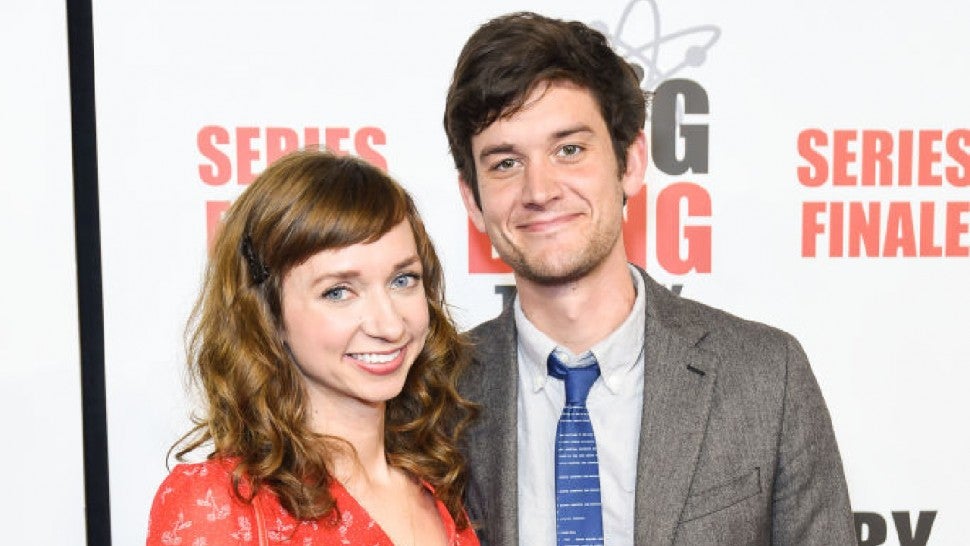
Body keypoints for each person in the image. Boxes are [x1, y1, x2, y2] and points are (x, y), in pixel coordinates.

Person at [443, 11, 855, 546]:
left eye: (569, 150)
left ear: (631, 163)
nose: (539, 190)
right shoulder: (434, 397)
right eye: (505, 163)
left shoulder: (766, 377)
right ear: (472, 200)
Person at [146, 149, 480, 546]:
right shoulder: (220, 505)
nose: (390, 325)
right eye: (339, 291)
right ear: (268, 313)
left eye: (403, 280)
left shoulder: (442, 485)